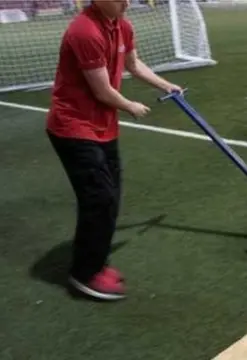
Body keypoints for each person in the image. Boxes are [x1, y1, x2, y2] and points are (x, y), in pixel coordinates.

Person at [46, 0, 182, 301]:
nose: (127, 2)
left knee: (111, 196)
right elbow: (102, 90)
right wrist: (130, 105)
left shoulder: (122, 24)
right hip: (73, 127)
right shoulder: (85, 31)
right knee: (99, 197)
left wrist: (165, 85)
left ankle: (97, 261)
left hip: (103, 126)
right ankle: (83, 275)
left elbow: (133, 64)